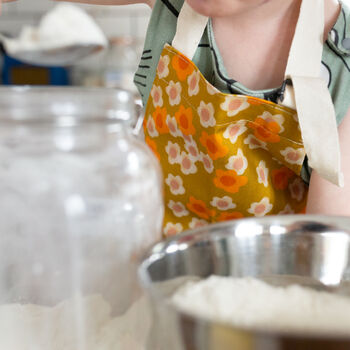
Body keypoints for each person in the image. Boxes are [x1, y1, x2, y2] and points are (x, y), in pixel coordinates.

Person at [62, 0, 350, 234]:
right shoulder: (175, 6)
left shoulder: (341, 66)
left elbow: (325, 248)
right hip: (156, 265)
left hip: (273, 285)